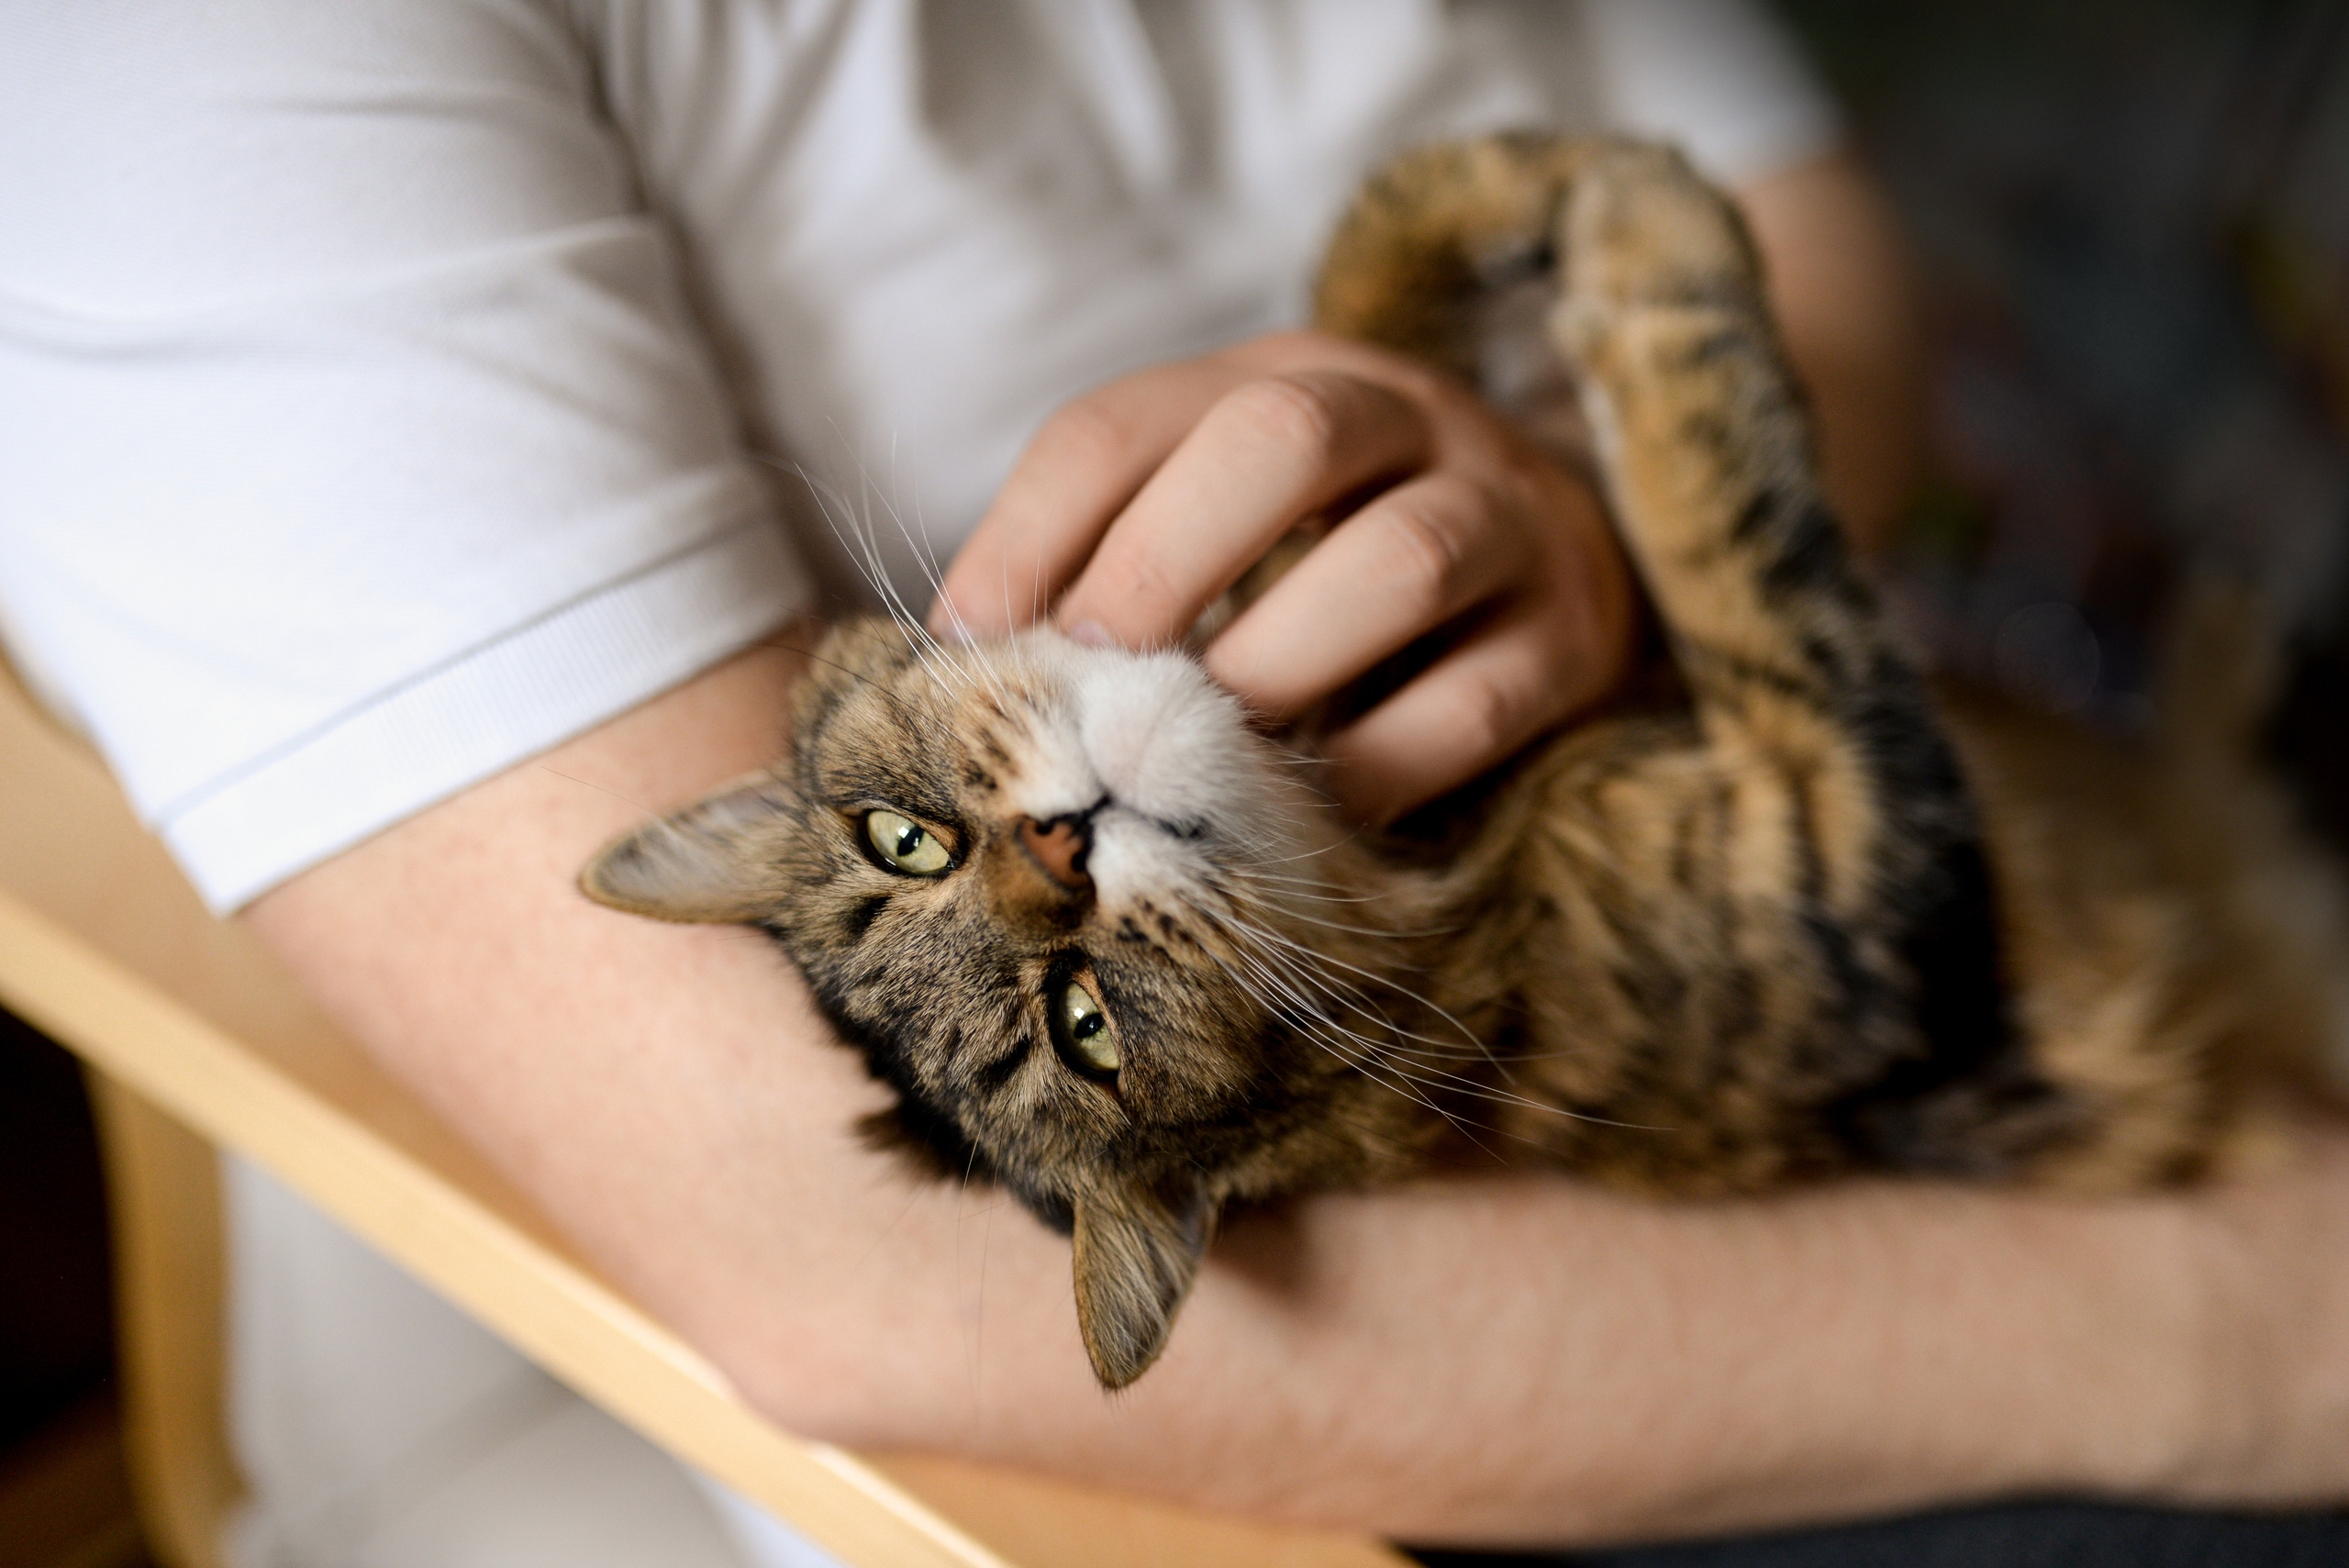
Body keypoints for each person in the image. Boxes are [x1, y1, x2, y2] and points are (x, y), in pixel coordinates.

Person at [6, 3, 2349, 1565]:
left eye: (930, 846)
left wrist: (1588, 515)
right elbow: (861, 1275)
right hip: (1357, 1419)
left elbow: (1825, 275)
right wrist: (2227, 1336)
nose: (1042, 869)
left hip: (1928, 893)